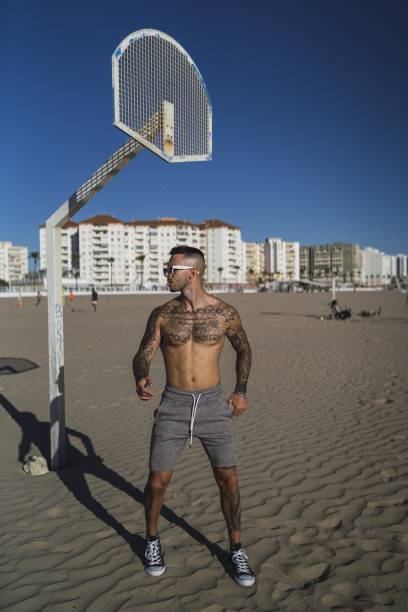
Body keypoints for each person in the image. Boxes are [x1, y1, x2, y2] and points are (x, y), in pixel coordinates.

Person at [133, 245, 255, 587]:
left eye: (171, 268)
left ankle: (236, 548)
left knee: (228, 479)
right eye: (166, 268)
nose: (166, 274)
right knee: (157, 482)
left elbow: (243, 347)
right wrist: (140, 374)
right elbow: (143, 353)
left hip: (214, 405)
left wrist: (241, 390)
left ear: (193, 272)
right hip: (173, 405)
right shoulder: (162, 314)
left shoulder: (224, 313)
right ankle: (152, 541)